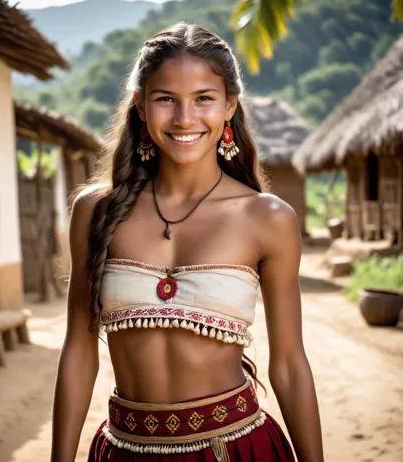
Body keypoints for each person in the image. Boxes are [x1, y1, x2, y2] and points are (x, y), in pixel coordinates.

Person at [51, 23, 324, 462]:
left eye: (203, 98)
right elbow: (79, 352)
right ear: (139, 105)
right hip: (126, 451)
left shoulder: (267, 218)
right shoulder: (95, 211)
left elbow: (290, 364)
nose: (184, 118)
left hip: (235, 449)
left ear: (229, 105)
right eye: (165, 99)